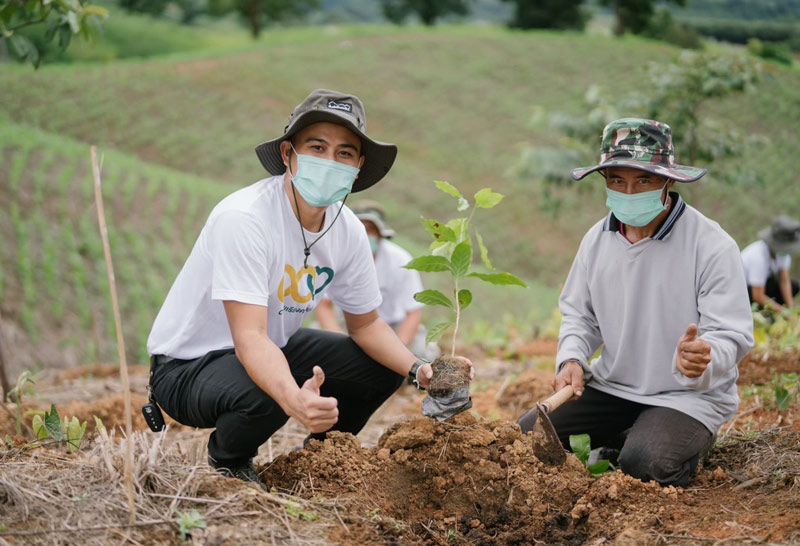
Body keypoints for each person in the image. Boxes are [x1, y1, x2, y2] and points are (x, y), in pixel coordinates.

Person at [146, 89, 472, 484]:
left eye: (344, 153)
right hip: (187, 367)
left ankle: (322, 459)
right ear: (288, 154)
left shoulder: (348, 228)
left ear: (358, 166)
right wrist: (292, 397)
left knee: (382, 367)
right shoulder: (245, 218)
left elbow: (366, 325)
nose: (329, 162)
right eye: (316, 147)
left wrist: (420, 370)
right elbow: (249, 338)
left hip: (268, 347)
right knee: (267, 386)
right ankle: (230, 462)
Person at [520, 118, 754, 487]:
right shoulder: (596, 241)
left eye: (643, 180)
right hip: (615, 385)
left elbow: (731, 333)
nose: (629, 192)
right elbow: (580, 315)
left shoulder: (710, 245)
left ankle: (670, 444)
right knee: (526, 440)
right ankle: (622, 435)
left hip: (687, 396)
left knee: (644, 465)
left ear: (668, 181)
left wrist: (702, 356)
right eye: (617, 180)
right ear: (606, 182)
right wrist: (572, 357)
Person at [315, 200, 439, 360]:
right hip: (349, 326)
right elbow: (324, 306)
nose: (365, 234)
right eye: (360, 227)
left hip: (392, 328)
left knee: (424, 351)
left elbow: (413, 313)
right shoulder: (334, 258)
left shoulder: (400, 260)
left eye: (370, 229)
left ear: (380, 233)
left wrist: (396, 352)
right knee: (316, 343)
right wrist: (340, 342)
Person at [740, 216, 800, 314]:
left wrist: (791, 309)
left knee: (794, 287)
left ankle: (772, 309)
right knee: (767, 315)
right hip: (745, 291)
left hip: (762, 284)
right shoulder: (758, 256)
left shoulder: (782, 253)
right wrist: (783, 312)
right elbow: (757, 295)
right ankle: (762, 313)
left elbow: (784, 281)